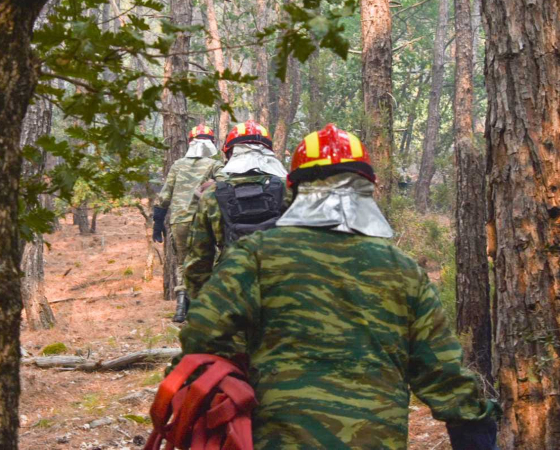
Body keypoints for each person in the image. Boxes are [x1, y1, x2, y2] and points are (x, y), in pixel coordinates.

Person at [174, 124, 500, 449]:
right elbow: (447, 378)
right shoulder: (403, 270)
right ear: (368, 187)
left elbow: (200, 334)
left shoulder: (256, 257)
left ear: (294, 189)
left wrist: (238, 372)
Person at [184, 120, 289, 299]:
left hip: (232, 291)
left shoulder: (212, 195)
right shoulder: (289, 189)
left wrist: (198, 303)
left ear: (230, 153)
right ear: (269, 152)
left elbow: (199, 259)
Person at [153, 124, 224, 323]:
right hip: (204, 222)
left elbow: (164, 196)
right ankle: (205, 308)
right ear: (211, 142)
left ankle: (181, 309)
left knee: (183, 264)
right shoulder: (214, 165)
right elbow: (225, 184)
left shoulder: (177, 165)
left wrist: (157, 221)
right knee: (208, 261)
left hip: (179, 222)